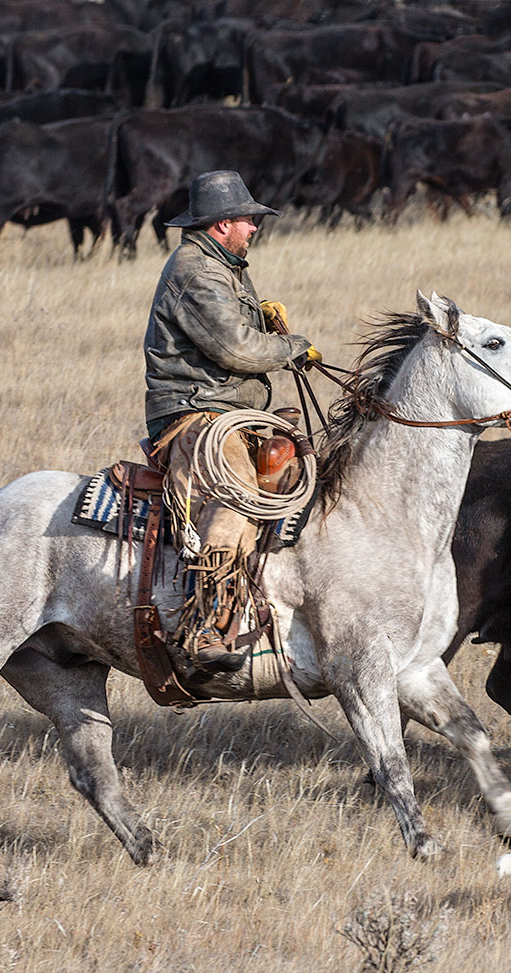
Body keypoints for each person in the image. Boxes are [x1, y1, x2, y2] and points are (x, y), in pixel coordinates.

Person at [142, 169, 320, 669]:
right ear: (222, 224)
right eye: (247, 220)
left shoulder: (223, 265)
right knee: (236, 491)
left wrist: (261, 316)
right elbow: (236, 349)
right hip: (195, 411)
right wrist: (291, 346)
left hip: (227, 407)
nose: (254, 227)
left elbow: (233, 328)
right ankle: (205, 626)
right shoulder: (197, 271)